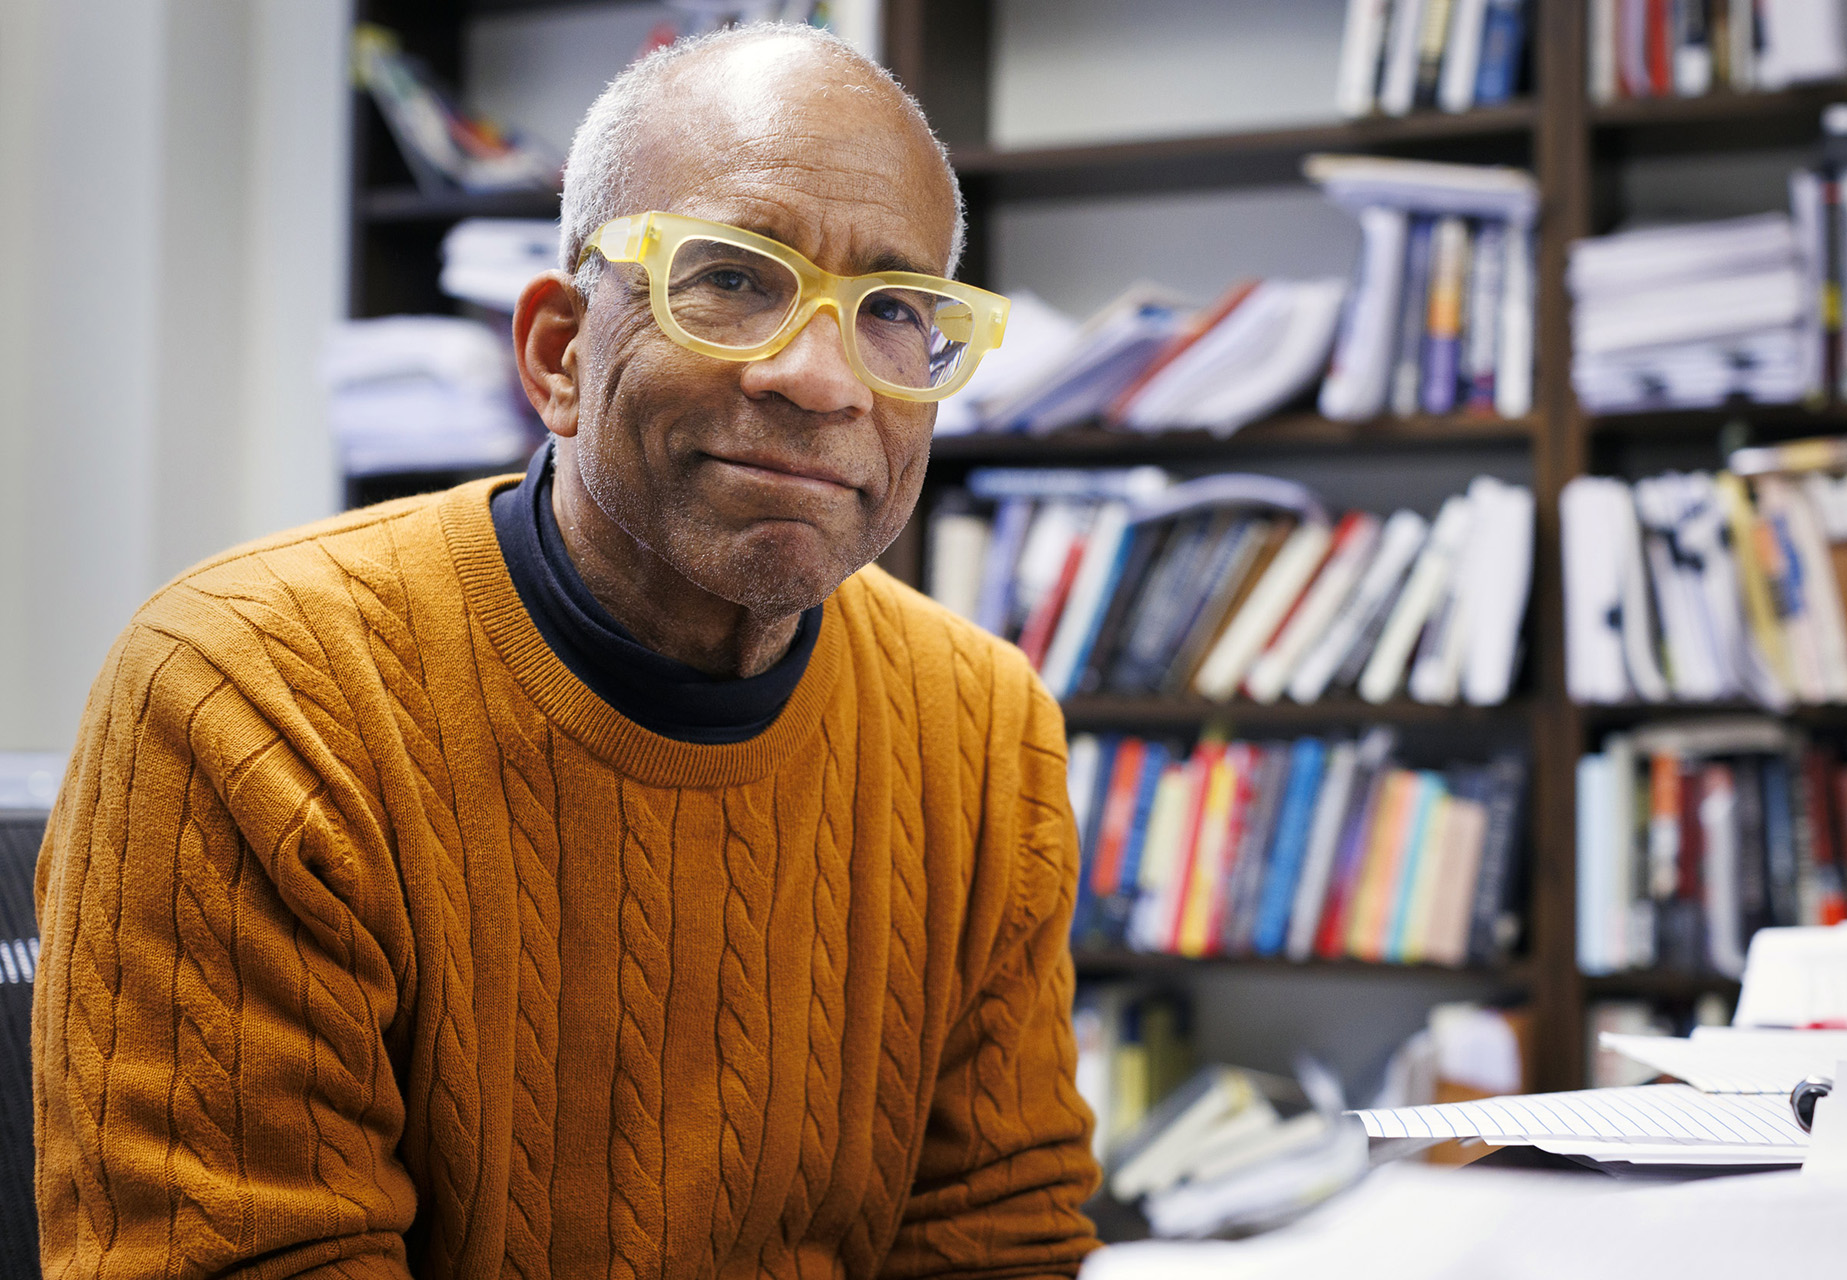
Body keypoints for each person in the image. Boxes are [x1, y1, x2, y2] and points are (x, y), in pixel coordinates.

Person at [33, 24, 1100, 1279]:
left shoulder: (980, 723)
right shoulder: (250, 699)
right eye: (736, 277)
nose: (824, 380)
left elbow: (999, 1235)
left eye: (896, 313)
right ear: (559, 353)